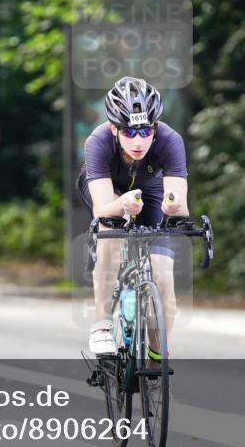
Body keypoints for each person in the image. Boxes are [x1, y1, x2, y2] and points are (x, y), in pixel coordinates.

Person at [78, 76, 189, 359]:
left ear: (154, 127)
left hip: (150, 190)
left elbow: (179, 202)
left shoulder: (170, 140)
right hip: (108, 191)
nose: (138, 141)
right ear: (114, 128)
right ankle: (102, 325)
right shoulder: (98, 142)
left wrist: (173, 205)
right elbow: (101, 208)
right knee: (112, 235)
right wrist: (121, 205)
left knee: (164, 283)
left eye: (144, 132)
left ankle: (155, 361)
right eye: (128, 133)